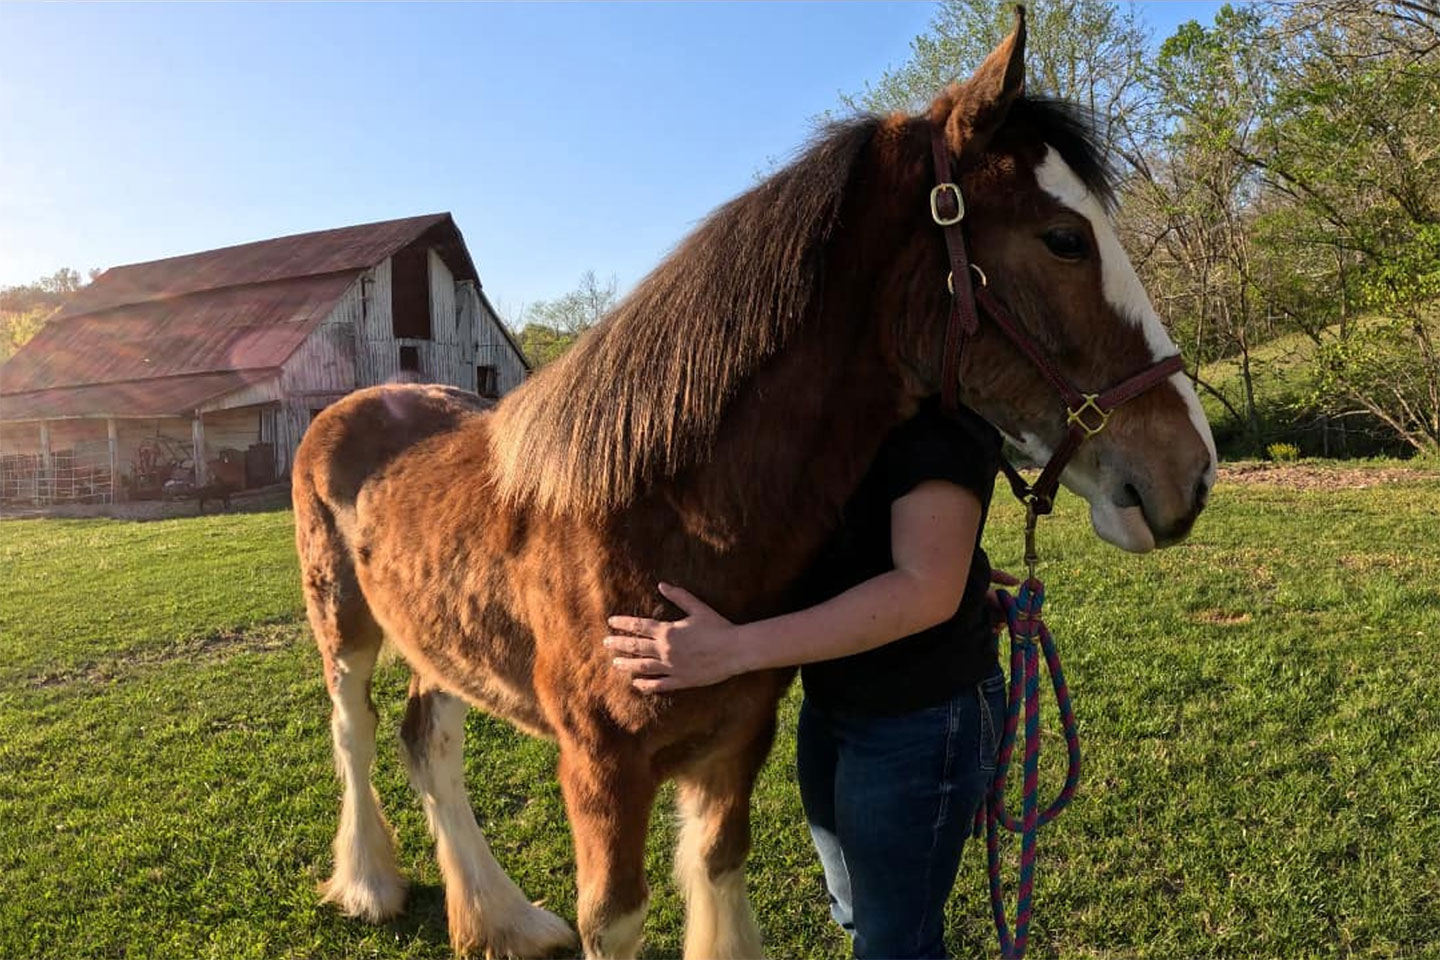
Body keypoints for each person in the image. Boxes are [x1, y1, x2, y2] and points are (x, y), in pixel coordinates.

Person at [603, 397, 1009, 960]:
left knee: (896, 943)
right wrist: (961, 568)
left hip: (918, 716)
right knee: (856, 910)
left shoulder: (941, 426)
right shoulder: (845, 403)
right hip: (837, 703)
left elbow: (924, 590)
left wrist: (731, 650)